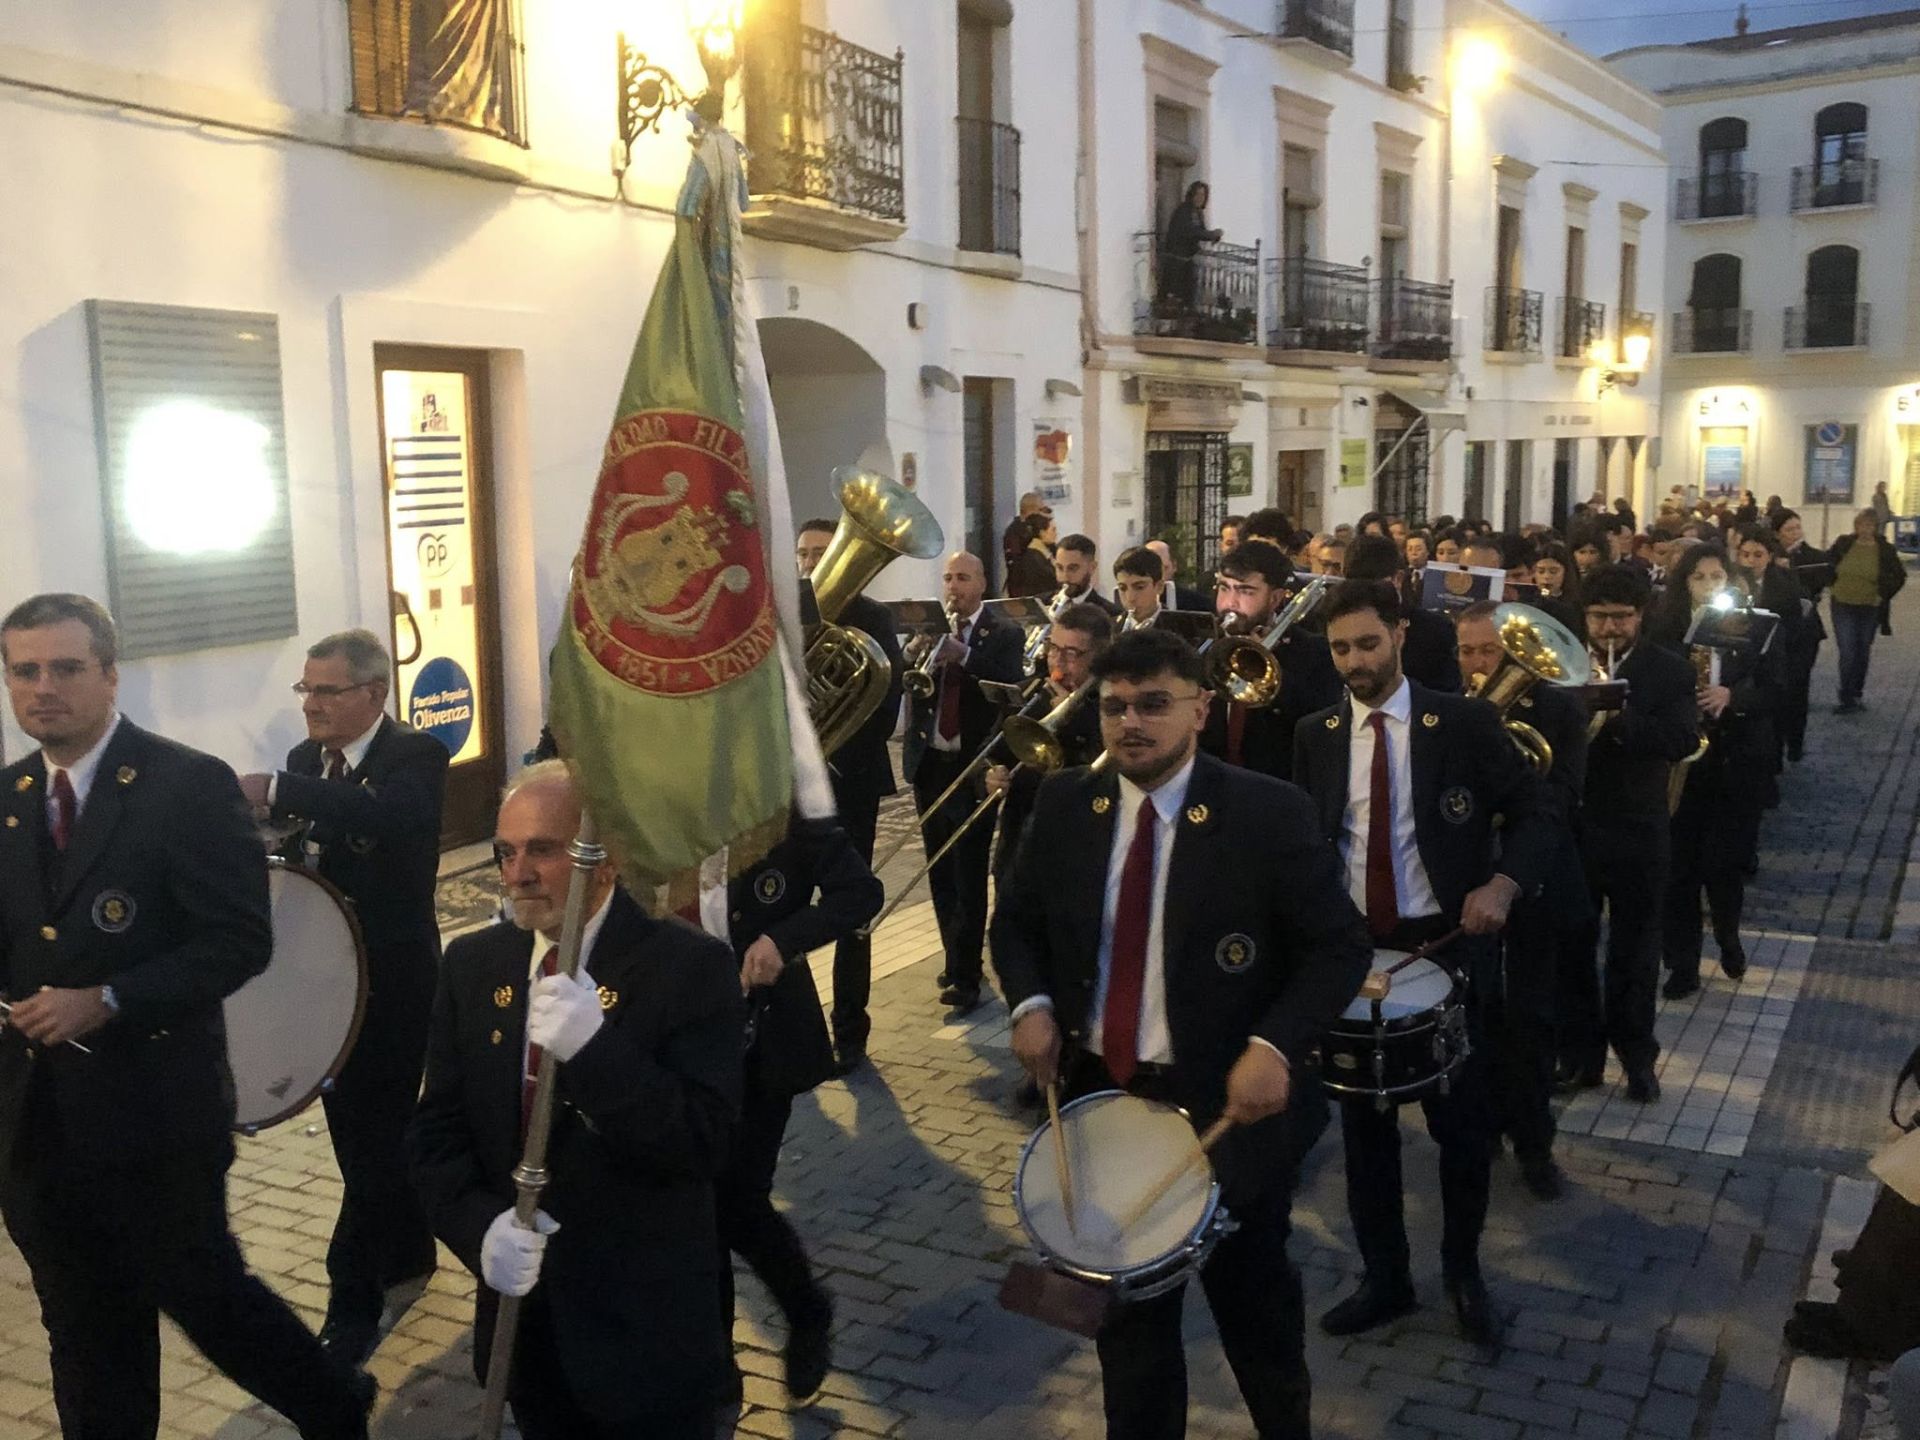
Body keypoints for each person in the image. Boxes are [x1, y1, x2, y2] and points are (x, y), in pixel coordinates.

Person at [0, 593, 375, 1440]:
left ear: (109, 674)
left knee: (203, 1292)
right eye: (24, 670)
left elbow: (240, 941)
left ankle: (330, 1403)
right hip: (36, 1124)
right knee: (85, 1323)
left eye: (65, 668)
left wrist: (110, 998)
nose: (42, 688)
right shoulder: (11, 797)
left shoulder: (183, 785)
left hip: (155, 1113)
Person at [992, 626, 1373, 1440]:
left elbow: (1338, 945)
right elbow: (1015, 924)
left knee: (1257, 1316)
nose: (1132, 723)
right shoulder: (1065, 803)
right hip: (1107, 1104)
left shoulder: (1266, 811)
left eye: (1154, 704)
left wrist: (1273, 1047)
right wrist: (1027, 1004)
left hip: (1226, 1111)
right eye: (1115, 707)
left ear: (1200, 709)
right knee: (1130, 1340)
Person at [409, 762, 744, 1440]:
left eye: (543, 849)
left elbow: (704, 1142)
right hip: (529, 1337)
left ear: (608, 857)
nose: (517, 872)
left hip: (643, 1342)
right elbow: (436, 1132)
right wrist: (481, 1230)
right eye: (506, 851)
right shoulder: (476, 966)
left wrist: (597, 1053)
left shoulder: (687, 969)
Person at [1292, 581, 1552, 1344]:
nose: (1355, 661)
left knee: (1462, 1130)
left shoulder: (1462, 722)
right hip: (1354, 959)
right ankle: (1387, 1278)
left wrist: (1501, 884)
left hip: (1446, 948)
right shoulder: (1316, 732)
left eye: (1368, 644)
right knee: (1365, 1133)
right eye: (1341, 648)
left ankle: (1465, 1276)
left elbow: (1538, 810)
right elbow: (1310, 841)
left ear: (1399, 635)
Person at [237, 630, 447, 1365]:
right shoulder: (305, 761)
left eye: (328, 691)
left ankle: (351, 1301)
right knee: (360, 1134)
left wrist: (280, 792)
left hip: (393, 983)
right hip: (323, 986)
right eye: (306, 691)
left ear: (375, 695)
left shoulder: (414, 756)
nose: (313, 706)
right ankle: (410, 1249)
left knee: (371, 1140)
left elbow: (397, 820)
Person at [720, 817, 882, 1407]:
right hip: (676, 1030)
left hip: (765, 1038)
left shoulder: (779, 804)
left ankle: (804, 1308)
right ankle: (716, 1375)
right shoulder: (653, 796)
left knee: (735, 1200)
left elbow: (861, 892)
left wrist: (783, 940)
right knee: (696, 1206)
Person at [1453, 601, 1589, 1200]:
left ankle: (1536, 1145)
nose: (1478, 664)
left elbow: (1562, 799)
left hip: (1535, 884)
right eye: (1467, 651)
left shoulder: (1557, 708)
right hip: (1464, 887)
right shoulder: (1446, 711)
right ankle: (1480, 1129)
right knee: (1473, 1017)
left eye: (1490, 652)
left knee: (1531, 1020)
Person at [1559, 566, 1699, 1100]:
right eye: (1599, 617)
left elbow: (1681, 738)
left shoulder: (1669, 671)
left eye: (1621, 617)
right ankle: (1581, 1057)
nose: (1610, 628)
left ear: (1641, 615)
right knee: (1573, 947)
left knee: (1636, 952)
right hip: (1577, 823)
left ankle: (1638, 1057)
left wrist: (1618, 716)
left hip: (1639, 826)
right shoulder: (1562, 666)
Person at [1649, 546, 1783, 999]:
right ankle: (1682, 964)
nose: (1710, 585)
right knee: (1678, 869)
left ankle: (1728, 936)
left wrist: (1733, 697)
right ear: (1684, 582)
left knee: (1722, 865)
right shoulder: (1666, 631)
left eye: (1717, 576)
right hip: (1683, 765)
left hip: (1734, 762)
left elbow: (1775, 688)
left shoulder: (1753, 626)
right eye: (1699, 577)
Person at [795, 518, 904, 1074]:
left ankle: (851, 1030)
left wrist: (825, 735)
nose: (812, 563)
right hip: (790, 791)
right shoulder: (782, 616)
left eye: (821, 552)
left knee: (852, 904)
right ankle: (794, 1027)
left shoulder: (873, 619)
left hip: (850, 783)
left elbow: (884, 710)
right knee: (785, 905)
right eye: (805, 554)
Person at [902, 552, 1025, 1012]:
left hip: (974, 765)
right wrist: (913, 653)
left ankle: (968, 976)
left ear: (982, 581)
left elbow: (1011, 686)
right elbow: (907, 682)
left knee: (968, 869)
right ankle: (955, 958)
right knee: (938, 868)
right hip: (930, 761)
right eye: (948, 578)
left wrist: (967, 656)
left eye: (963, 578)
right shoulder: (931, 628)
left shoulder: (1005, 632)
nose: (954, 587)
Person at [986, 602, 1112, 883]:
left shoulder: (1113, 706)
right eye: (1053, 648)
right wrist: (991, 775)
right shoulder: (1029, 693)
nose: (1058, 662)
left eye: (1072, 653)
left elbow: (1108, 770)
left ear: (1099, 657)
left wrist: (1074, 716)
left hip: (1082, 855)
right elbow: (992, 752)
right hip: (1020, 852)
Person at [1202, 544, 1342, 784]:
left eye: (1246, 591)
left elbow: (1321, 729)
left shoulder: (1314, 652)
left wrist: (1265, 669)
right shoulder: (1203, 648)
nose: (1230, 603)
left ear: (1275, 598)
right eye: (1225, 588)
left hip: (1280, 789)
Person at [1343, 534, 1462, 693]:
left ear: (1398, 579)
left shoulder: (1434, 630)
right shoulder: (1333, 626)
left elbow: (1447, 693)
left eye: (1375, 585)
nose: (1364, 594)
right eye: (1356, 585)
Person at [1827, 507, 1907, 713]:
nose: (1865, 529)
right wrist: (1829, 584)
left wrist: (1883, 595)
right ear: (1856, 526)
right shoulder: (1844, 544)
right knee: (1847, 651)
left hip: (1869, 606)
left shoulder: (1884, 549)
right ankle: (1845, 696)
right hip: (1842, 603)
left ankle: (1856, 693)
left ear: (1875, 527)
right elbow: (1827, 563)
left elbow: (1899, 575)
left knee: (1862, 650)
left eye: (1869, 525)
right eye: (1862, 525)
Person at [1775, 510, 1827, 762]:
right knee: (1778, 687)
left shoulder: (1813, 556)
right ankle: (1776, 740)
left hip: (1805, 632)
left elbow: (1817, 585)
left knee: (1798, 688)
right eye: (1789, 529)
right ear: (1778, 534)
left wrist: (1792, 570)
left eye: (1798, 527)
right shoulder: (1770, 556)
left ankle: (1795, 742)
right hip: (1778, 633)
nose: (1795, 533)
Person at [1159, 180, 1222, 312]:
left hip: (1188, 261)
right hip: (1176, 261)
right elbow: (1191, 232)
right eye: (1197, 194)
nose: (1200, 198)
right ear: (1191, 195)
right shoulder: (1183, 211)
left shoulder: (1198, 213)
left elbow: (1200, 231)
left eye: (1203, 195)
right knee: (1176, 296)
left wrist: (1213, 236)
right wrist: (1210, 234)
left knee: (1189, 297)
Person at [1049, 533, 1122, 617]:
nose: (1065, 577)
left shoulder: (1109, 613)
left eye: (1072, 568)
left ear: (1092, 567)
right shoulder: (1041, 603)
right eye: (1060, 568)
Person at [1530, 541, 1586, 640]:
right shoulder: (1528, 600)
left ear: (1566, 572)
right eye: (1541, 571)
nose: (1546, 577)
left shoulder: (1576, 604)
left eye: (1553, 572)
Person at [1113, 546, 1170, 630]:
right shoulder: (1109, 629)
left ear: (1159, 587)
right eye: (1122, 588)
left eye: (1139, 587)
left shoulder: (1180, 628)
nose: (1130, 598)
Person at [1005, 511, 1058, 599]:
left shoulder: (1048, 551)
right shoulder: (1033, 557)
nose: (1056, 533)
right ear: (1042, 533)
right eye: (1053, 530)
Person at [1145, 539, 1208, 612]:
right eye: (1149, 569)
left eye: (1164, 568)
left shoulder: (1199, 605)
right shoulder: (1133, 602)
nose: (1156, 575)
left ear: (1174, 566)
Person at [1002, 491, 1050, 581]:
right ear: (1031, 510)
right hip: (1022, 583)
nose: (1042, 514)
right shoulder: (1015, 531)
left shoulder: (1034, 527)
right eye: (1040, 509)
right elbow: (1016, 560)